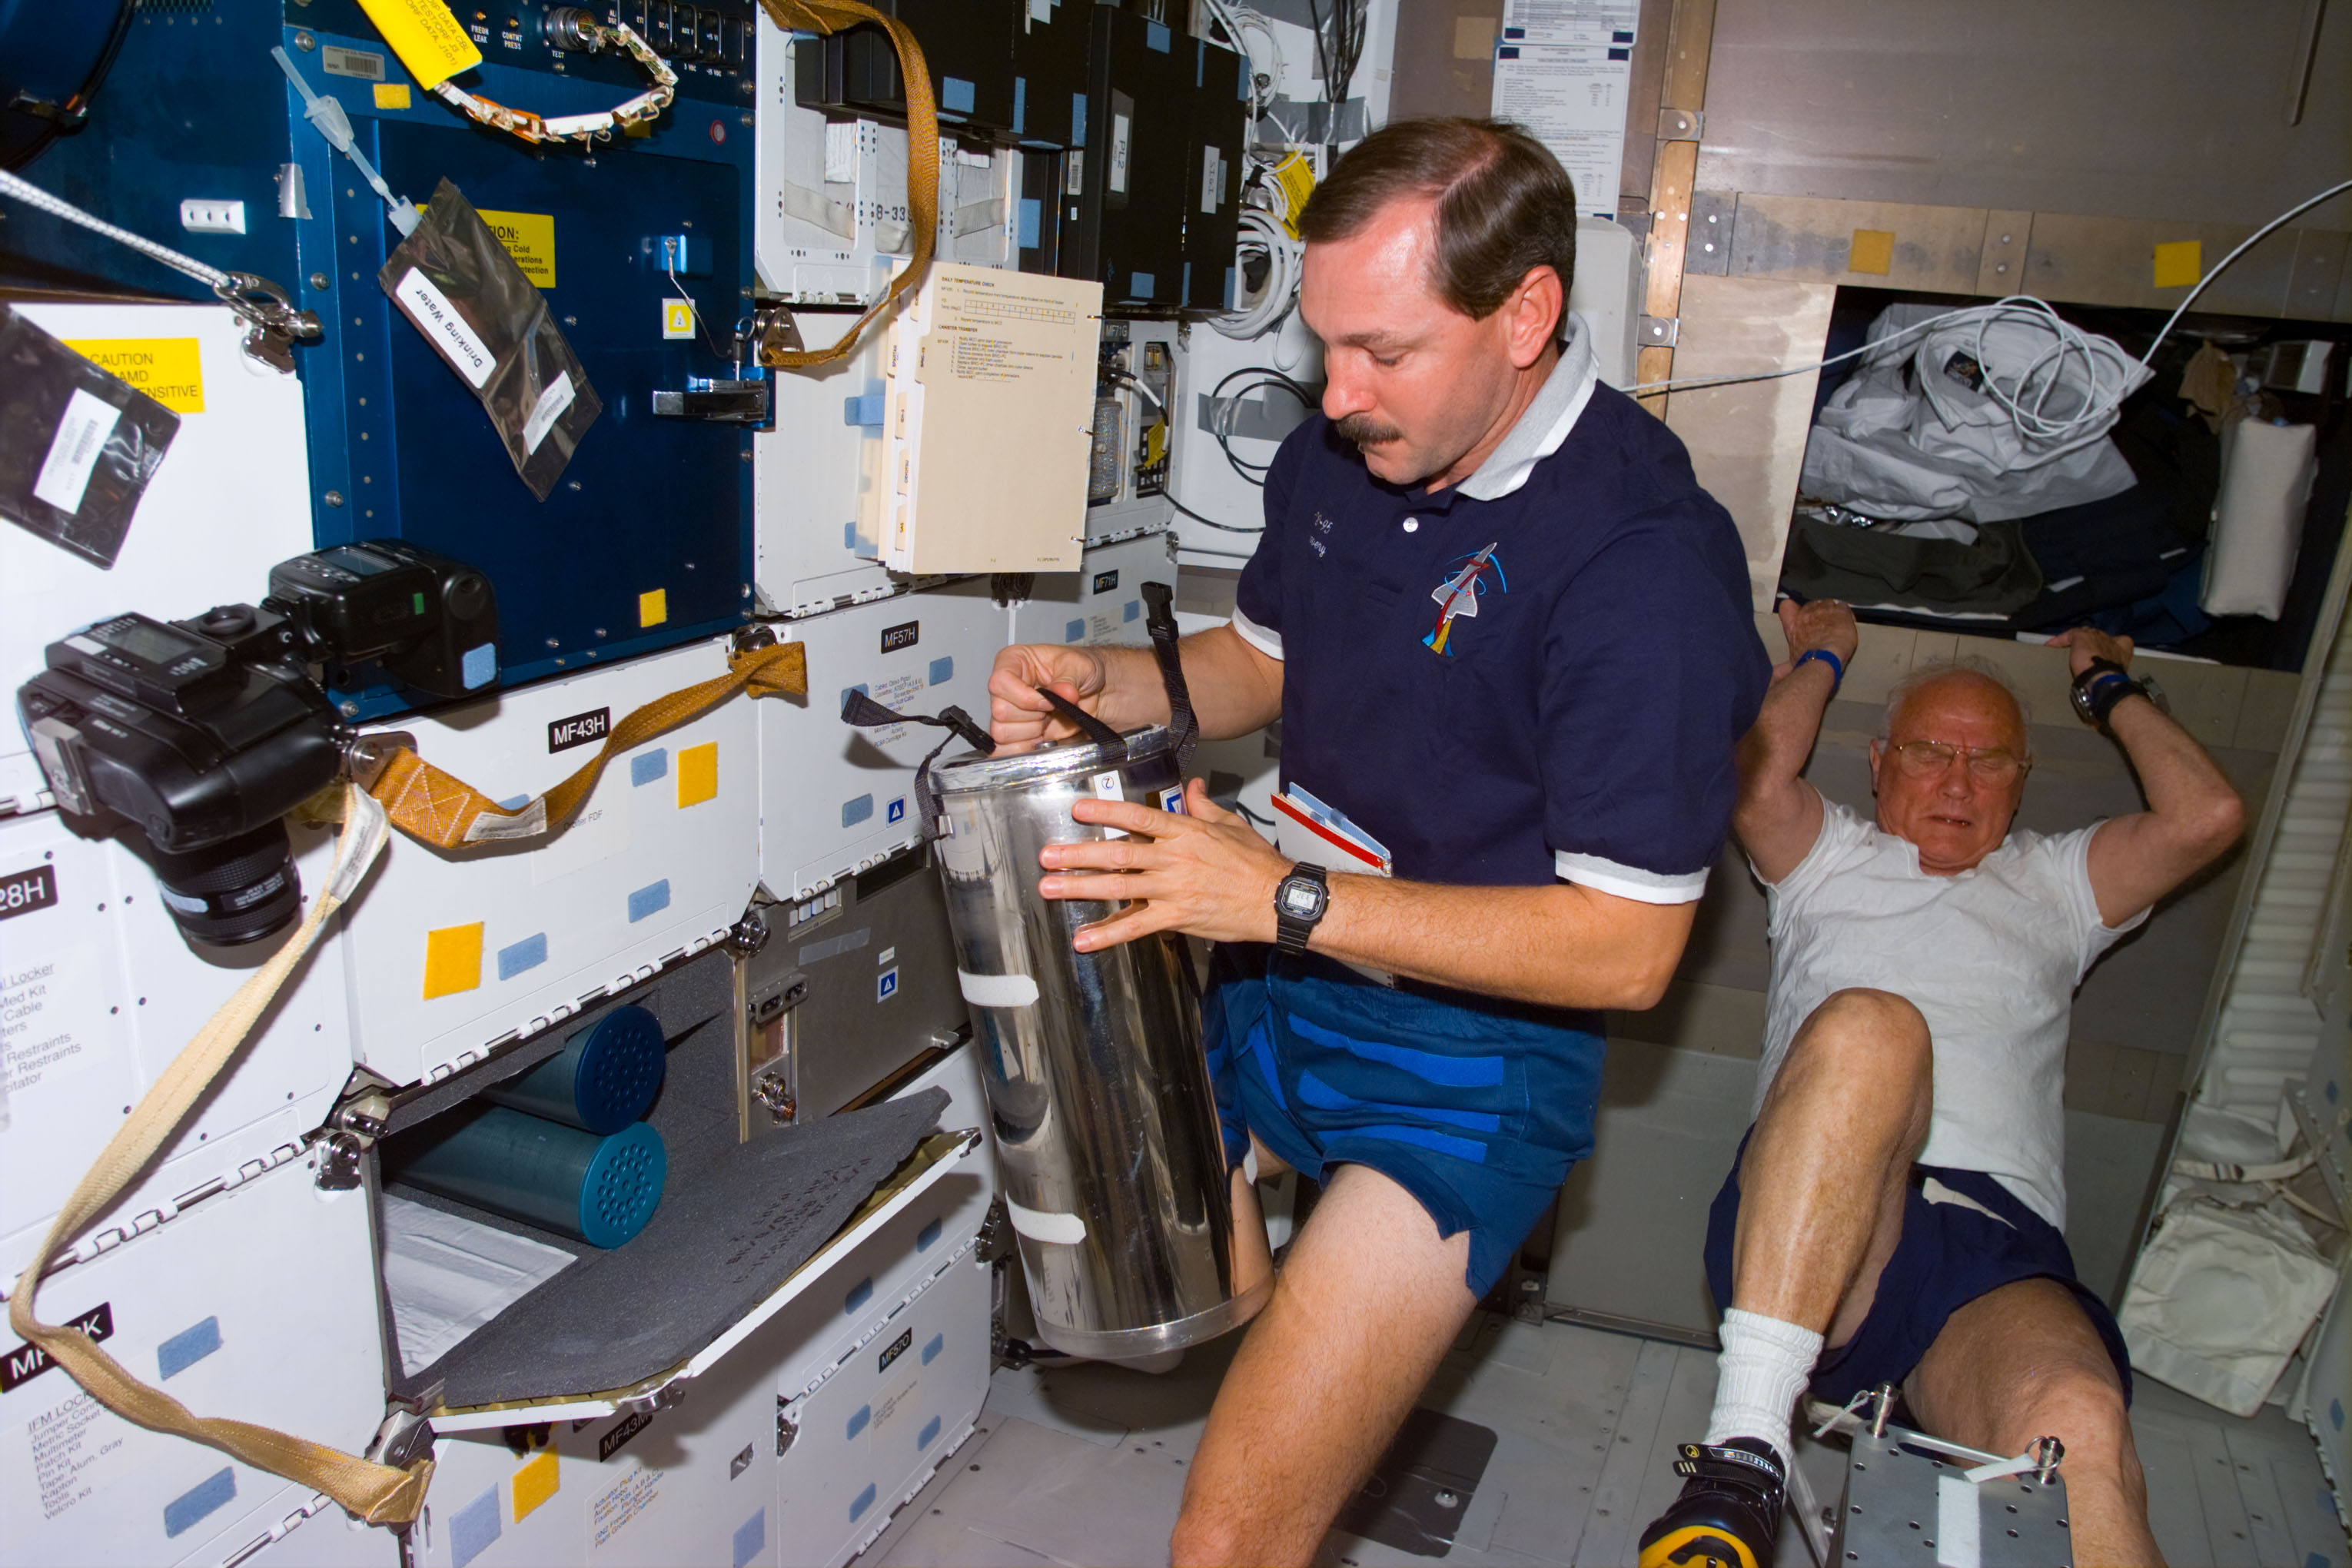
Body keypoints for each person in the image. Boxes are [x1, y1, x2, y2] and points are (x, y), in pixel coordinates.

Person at [986, 116, 1769, 1566]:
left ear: (1526, 314)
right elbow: (1266, 666)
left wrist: (1279, 895)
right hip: (1271, 977)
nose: (1337, 395)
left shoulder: (1644, 570)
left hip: (1466, 1060)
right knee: (1152, 1323)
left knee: (1230, 1537)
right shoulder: (1345, 456)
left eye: (1385, 352)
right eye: (1325, 344)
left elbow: (1629, 949)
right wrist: (1115, 680)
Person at [1638, 599, 2245, 1568]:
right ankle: (1747, 1451)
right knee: (1877, 1026)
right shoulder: (1828, 857)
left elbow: (2207, 816)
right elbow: (1749, 779)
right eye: (1929, 752)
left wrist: (2106, 684)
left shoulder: (2058, 883)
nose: (1959, 782)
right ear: (1879, 765)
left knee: (2077, 1425)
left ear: (2022, 781)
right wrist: (1826, 655)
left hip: (1994, 1247)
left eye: (1991, 759)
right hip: (1832, 1219)